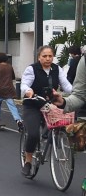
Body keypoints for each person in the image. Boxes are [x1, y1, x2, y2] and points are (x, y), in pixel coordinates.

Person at [22, 45, 72, 176]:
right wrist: (28, 90)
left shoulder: (57, 69)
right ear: (39, 57)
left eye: (50, 56)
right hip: (33, 105)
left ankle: (47, 135)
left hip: (49, 105)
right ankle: (28, 161)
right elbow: (24, 84)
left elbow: (66, 85)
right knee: (33, 134)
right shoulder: (32, 69)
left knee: (60, 122)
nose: (48, 58)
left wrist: (76, 93)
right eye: (44, 56)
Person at [0, 52, 22, 130]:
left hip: (0, 90)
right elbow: (12, 78)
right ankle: (18, 120)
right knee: (12, 106)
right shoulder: (10, 67)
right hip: (9, 90)